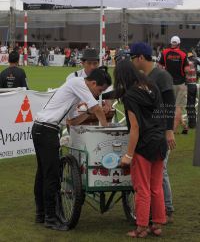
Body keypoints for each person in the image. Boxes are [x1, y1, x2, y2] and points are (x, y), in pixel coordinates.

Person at [100, 41, 176, 224]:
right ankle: (158, 219)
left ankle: (166, 210)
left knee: (152, 181)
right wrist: (105, 96)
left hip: (152, 136)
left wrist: (169, 131)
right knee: (155, 182)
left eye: (132, 57)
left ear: (141, 57)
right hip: (155, 135)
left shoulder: (161, 76)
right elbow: (126, 91)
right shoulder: (146, 79)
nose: (131, 61)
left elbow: (169, 105)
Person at [32, 68, 111, 231]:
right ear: (94, 83)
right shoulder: (77, 83)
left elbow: (73, 122)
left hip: (43, 128)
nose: (98, 94)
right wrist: (107, 130)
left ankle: (41, 214)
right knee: (51, 175)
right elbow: (97, 108)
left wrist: (87, 113)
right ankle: (51, 218)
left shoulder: (75, 91)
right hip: (46, 129)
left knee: (43, 173)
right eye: (100, 90)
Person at [116, 60, 167, 238]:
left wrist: (128, 156)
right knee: (156, 186)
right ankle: (158, 224)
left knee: (142, 188)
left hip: (144, 145)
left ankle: (141, 228)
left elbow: (135, 127)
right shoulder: (152, 86)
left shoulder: (130, 95)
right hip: (160, 141)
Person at [159, 36, 190, 135]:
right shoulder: (183, 54)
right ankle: (175, 130)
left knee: (170, 106)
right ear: (179, 44)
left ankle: (181, 124)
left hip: (168, 83)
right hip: (180, 83)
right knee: (179, 107)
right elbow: (187, 70)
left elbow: (160, 66)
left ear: (171, 43)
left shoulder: (165, 52)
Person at [66, 48, 113, 113]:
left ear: (98, 63)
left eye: (95, 63)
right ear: (83, 63)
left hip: (97, 112)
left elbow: (109, 95)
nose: (92, 67)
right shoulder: (73, 76)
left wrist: (108, 105)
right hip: (77, 112)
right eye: (89, 63)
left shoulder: (103, 77)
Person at [186, 53, 198, 129]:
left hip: (189, 86)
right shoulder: (192, 63)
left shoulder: (187, 65)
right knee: (192, 105)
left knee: (189, 106)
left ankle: (191, 124)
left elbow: (185, 76)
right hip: (194, 85)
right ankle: (193, 123)